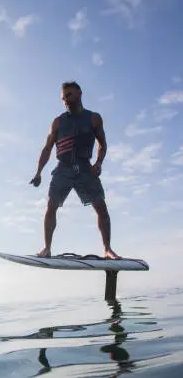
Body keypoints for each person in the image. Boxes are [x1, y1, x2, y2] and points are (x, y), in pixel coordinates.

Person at [30, 81, 120, 259]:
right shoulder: (57, 122)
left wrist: (98, 164)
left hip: (85, 168)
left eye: (69, 95)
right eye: (63, 98)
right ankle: (47, 248)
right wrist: (39, 172)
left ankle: (107, 249)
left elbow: (103, 144)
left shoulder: (94, 118)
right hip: (63, 168)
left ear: (79, 94)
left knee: (101, 207)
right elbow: (47, 148)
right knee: (51, 206)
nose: (66, 100)